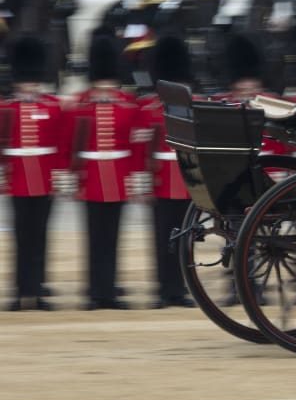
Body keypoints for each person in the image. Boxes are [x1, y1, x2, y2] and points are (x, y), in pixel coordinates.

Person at [68, 31, 144, 310]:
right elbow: (70, 143)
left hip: (119, 177)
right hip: (90, 177)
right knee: (92, 238)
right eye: (101, 85)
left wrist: (138, 177)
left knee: (113, 238)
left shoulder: (128, 104)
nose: (104, 90)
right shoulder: (79, 104)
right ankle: (93, 292)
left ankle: (109, 290)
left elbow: (136, 145)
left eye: (108, 84)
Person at [1, 35, 68, 311]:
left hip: (44, 180)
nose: (29, 85)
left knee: (40, 238)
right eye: (25, 80)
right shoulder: (6, 108)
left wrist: (59, 178)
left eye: (32, 80)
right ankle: (19, 292)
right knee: (20, 239)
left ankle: (37, 290)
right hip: (17, 181)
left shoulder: (52, 106)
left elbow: (61, 145)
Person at [138, 35, 195, 308]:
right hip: (161, 182)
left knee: (186, 241)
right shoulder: (149, 110)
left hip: (189, 182)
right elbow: (142, 151)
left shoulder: (196, 107)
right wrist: (143, 183)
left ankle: (181, 290)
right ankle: (163, 289)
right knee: (162, 239)